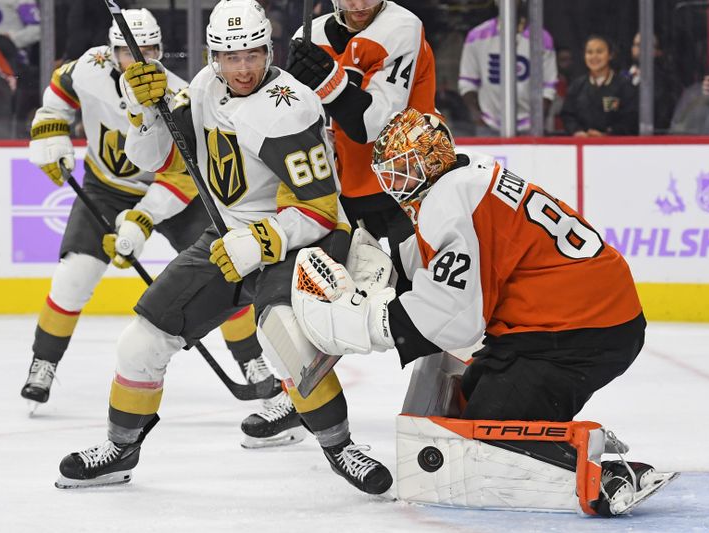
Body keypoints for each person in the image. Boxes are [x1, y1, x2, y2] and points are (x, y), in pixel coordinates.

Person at [54, 0, 392, 496]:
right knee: (140, 342)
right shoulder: (205, 88)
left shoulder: (290, 106)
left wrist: (261, 241)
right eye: (230, 57)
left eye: (253, 55)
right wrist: (141, 109)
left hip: (297, 238)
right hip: (230, 235)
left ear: (268, 50)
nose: (242, 68)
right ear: (213, 56)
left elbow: (320, 207)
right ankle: (120, 450)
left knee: (288, 341)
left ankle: (341, 447)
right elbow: (151, 159)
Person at [291, 107, 675, 515]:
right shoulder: (469, 175)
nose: (393, 183)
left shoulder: (448, 201)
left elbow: (453, 317)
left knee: (487, 439)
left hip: (579, 329)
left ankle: (608, 477)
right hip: (574, 319)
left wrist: (367, 321)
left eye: (403, 169)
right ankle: (576, 451)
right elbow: (453, 278)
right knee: (471, 400)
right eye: (390, 172)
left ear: (431, 160)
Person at [20, 9, 274, 417]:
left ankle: (250, 359)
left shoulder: (177, 94)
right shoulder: (89, 67)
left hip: (170, 196)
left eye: (149, 49)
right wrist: (50, 128)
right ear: (110, 49)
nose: (137, 59)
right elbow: (59, 91)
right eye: (125, 51)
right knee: (74, 278)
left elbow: (186, 175)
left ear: (160, 49)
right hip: (104, 189)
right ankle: (44, 362)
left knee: (226, 268)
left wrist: (143, 218)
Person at [284, 0, 435, 275]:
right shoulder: (308, 37)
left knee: (416, 285)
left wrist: (328, 82)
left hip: (410, 186)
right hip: (344, 190)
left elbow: (373, 125)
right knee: (342, 293)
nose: (359, 4)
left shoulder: (401, 27)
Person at [458, 0, 558, 135]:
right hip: (488, 125)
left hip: (529, 127)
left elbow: (549, 86)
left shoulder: (540, 38)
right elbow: (467, 82)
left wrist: (537, 119)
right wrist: (477, 115)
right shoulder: (477, 36)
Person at [560, 35, 637, 136]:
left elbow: (630, 119)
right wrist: (577, 131)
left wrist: (608, 134)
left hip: (615, 147)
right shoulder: (577, 86)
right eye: (589, 52)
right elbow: (568, 115)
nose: (594, 57)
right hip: (582, 145)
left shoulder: (624, 85)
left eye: (599, 52)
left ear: (610, 55)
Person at [625, 32, 681, 133]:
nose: (641, 49)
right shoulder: (620, 77)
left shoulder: (666, 82)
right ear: (632, 49)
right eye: (637, 45)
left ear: (657, 51)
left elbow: (664, 117)